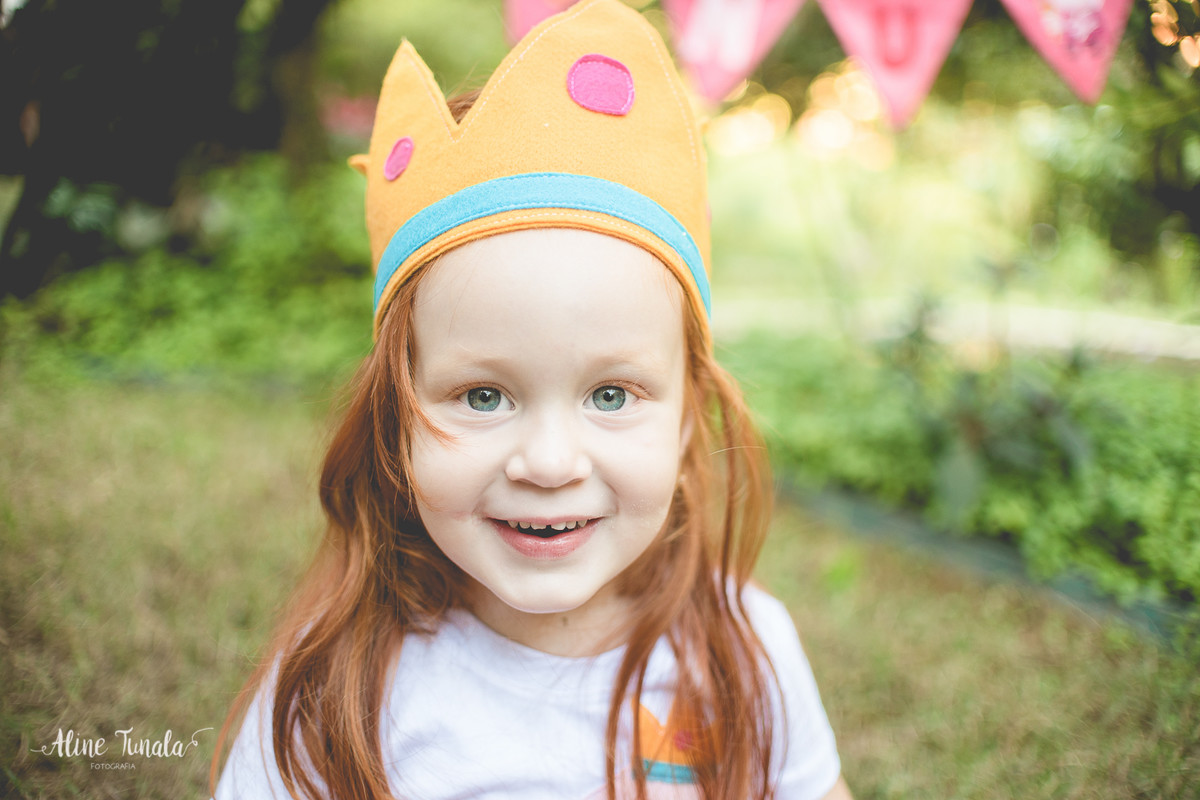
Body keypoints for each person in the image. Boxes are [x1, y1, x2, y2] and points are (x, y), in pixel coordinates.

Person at [211, 1, 851, 798]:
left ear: (689, 412)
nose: (549, 462)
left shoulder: (747, 651)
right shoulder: (337, 686)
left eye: (612, 394)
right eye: (483, 396)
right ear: (394, 418)